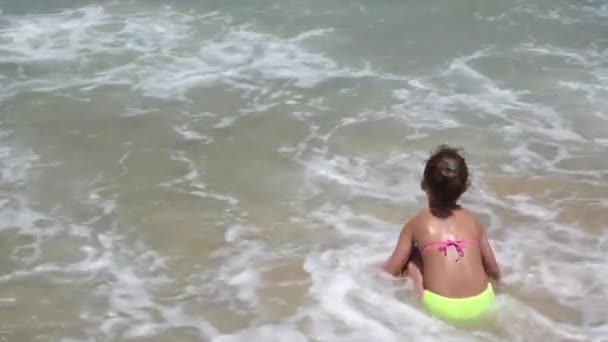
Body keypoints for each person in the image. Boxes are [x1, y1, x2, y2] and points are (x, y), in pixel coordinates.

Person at [382, 145, 500, 322]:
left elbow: (391, 271)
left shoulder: (417, 223)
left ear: (424, 184)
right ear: (466, 186)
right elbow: (493, 270)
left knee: (412, 261)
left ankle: (420, 296)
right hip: (484, 301)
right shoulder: (473, 221)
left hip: (440, 307)